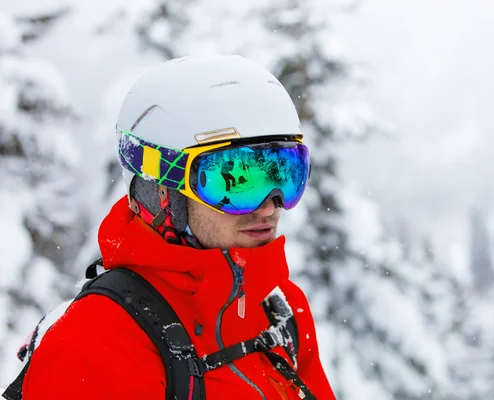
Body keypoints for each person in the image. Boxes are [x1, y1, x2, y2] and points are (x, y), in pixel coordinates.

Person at [16, 55, 335, 399]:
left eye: (285, 173)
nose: (271, 204)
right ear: (163, 190)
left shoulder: (279, 308)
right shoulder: (95, 343)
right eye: (235, 179)